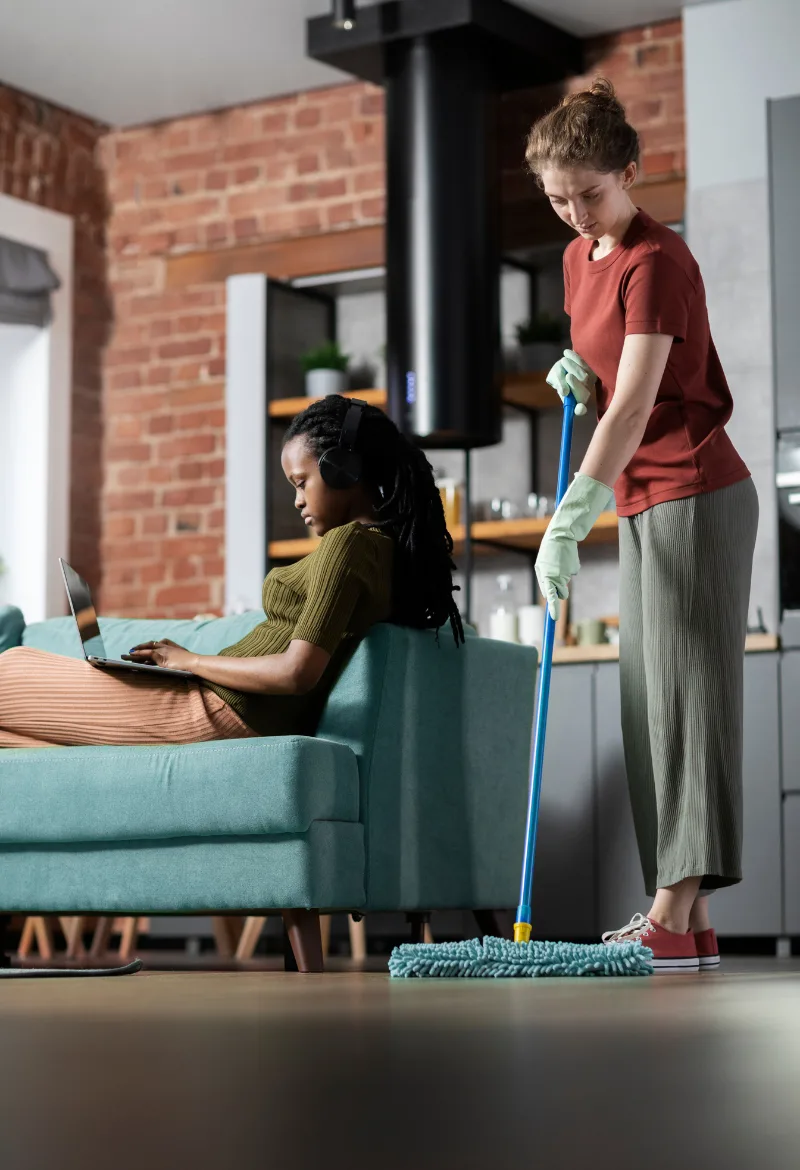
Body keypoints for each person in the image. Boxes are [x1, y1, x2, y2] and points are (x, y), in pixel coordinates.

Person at [527, 79, 758, 972]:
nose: (576, 213)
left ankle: (667, 909)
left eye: (589, 193)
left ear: (629, 172)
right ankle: (688, 924)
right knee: (646, 708)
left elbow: (631, 408)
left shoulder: (657, 259)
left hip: (695, 492)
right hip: (641, 499)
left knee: (688, 707)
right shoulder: (578, 256)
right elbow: (605, 377)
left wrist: (569, 514)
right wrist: (575, 373)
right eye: (558, 198)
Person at [0, 396, 463, 749]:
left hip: (218, 710)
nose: (297, 500)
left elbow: (296, 673)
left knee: (12, 665)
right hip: (219, 703)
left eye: (301, 483)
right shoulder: (378, 550)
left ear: (343, 470)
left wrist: (189, 662)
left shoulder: (350, 544)